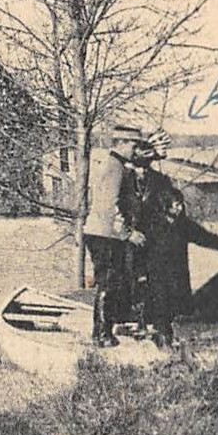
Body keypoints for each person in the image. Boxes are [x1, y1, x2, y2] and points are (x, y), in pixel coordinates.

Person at [136, 174, 218, 348]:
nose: (179, 208)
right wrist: (140, 272)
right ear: (165, 205)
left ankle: (167, 335)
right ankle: (162, 337)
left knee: (175, 304)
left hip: (177, 272)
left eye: (181, 204)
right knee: (160, 304)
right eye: (175, 205)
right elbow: (140, 251)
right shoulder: (151, 225)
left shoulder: (182, 224)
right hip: (156, 273)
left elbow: (202, 236)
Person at [83, 125, 144, 346]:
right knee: (107, 282)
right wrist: (128, 234)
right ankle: (101, 334)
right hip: (104, 234)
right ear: (122, 143)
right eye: (134, 145)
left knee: (110, 281)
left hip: (103, 232)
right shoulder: (114, 167)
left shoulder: (115, 165)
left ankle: (104, 331)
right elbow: (110, 207)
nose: (136, 150)